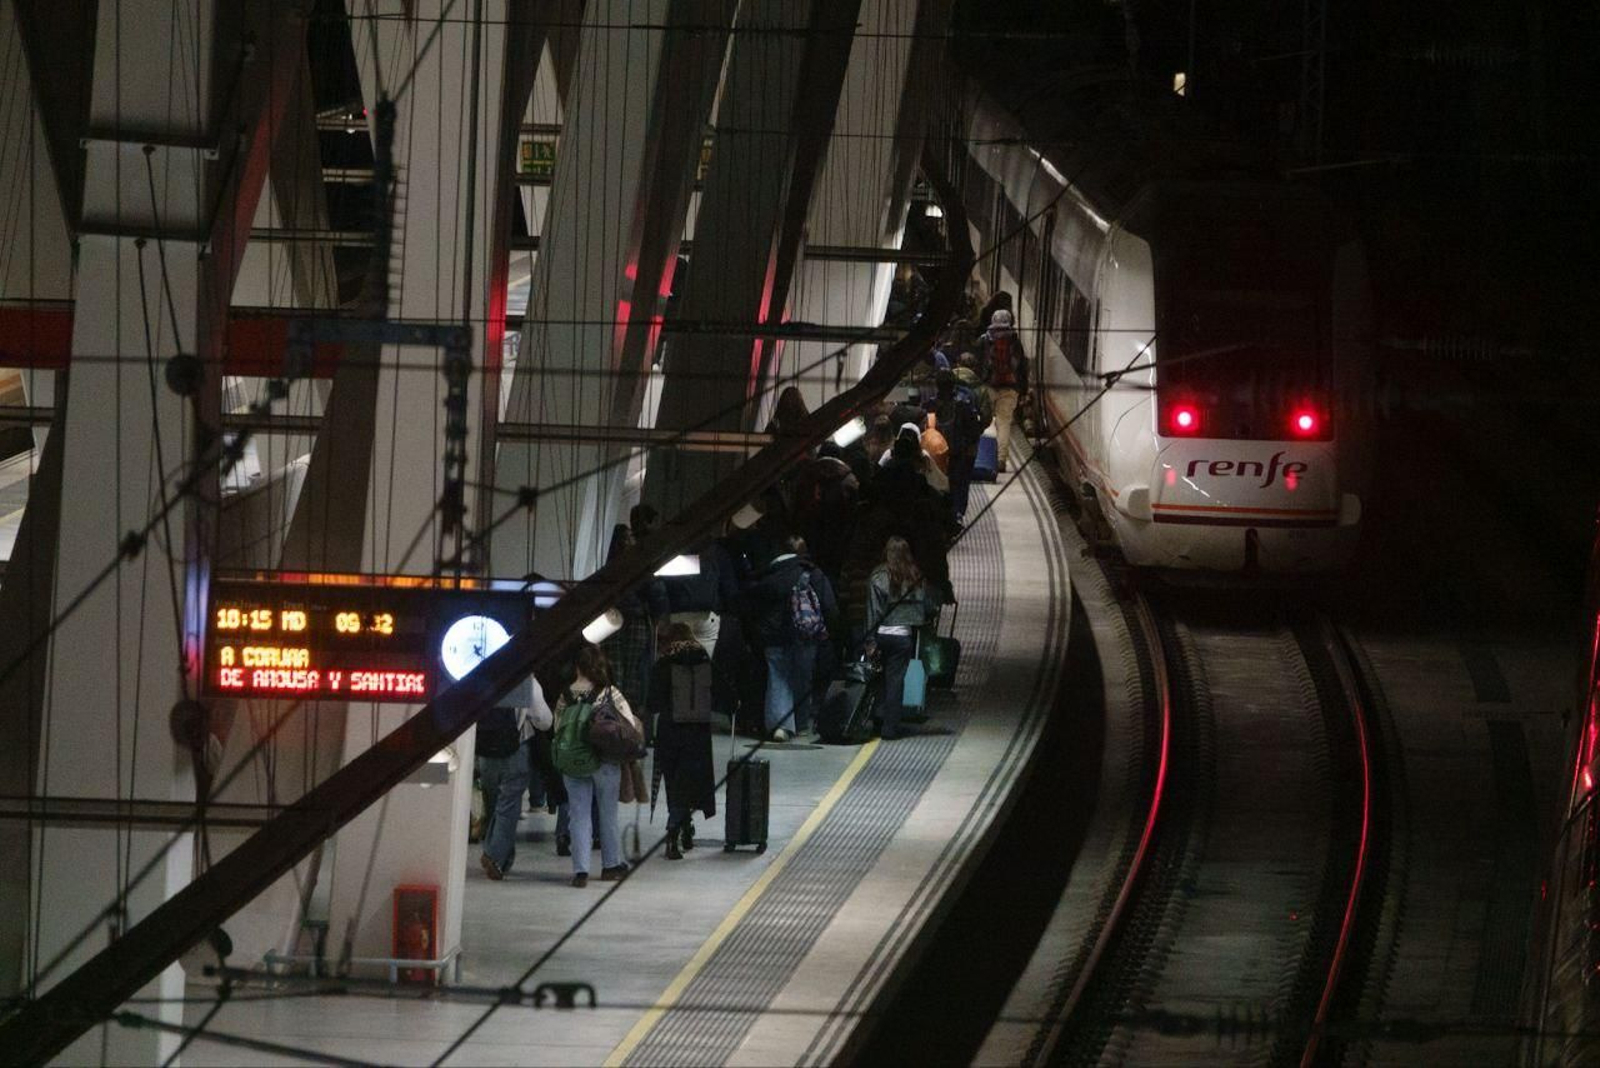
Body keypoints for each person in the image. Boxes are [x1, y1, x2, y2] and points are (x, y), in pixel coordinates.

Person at [554, 644, 642, 887]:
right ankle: (610, 865)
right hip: (604, 761)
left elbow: (557, 727)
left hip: (573, 761)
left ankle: (580, 871)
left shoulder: (566, 695)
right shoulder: (610, 693)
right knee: (607, 813)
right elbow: (630, 726)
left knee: (579, 815)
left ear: (577, 667)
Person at [745, 534, 838, 741]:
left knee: (778, 677)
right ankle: (802, 723)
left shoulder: (767, 575)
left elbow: (753, 607)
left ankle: (781, 726)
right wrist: (832, 633)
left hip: (773, 636)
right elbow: (829, 605)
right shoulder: (813, 573)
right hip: (805, 635)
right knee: (803, 678)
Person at [648, 623, 717, 859]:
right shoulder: (703, 658)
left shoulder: (664, 663)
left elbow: (653, 702)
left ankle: (675, 830)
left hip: (669, 730)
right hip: (697, 732)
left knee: (674, 783)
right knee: (690, 783)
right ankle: (682, 829)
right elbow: (715, 693)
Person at [476, 682, 555, 879]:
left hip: (485, 750)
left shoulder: (485, 673)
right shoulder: (527, 680)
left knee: (493, 803)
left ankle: (498, 854)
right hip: (514, 748)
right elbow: (544, 720)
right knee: (508, 806)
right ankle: (495, 856)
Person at [865, 536, 936, 740]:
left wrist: (870, 641)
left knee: (877, 679)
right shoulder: (915, 576)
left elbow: (873, 610)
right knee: (895, 681)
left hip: (881, 634)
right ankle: (890, 727)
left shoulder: (878, 576)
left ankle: (875, 719)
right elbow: (928, 606)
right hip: (903, 636)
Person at [926, 369, 985, 524]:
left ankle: (941, 513)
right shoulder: (964, 404)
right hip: (959, 452)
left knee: (938, 483)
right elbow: (974, 430)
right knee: (960, 483)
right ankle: (957, 513)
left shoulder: (930, 404)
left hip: (936, 454)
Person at [979, 307, 1029, 472]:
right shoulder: (1015, 341)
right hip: (1010, 387)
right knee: (1004, 423)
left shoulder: (985, 339)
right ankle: (1001, 460)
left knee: (984, 421)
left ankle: (983, 459)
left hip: (989, 386)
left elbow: (978, 364)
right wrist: (1022, 390)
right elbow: (1022, 366)